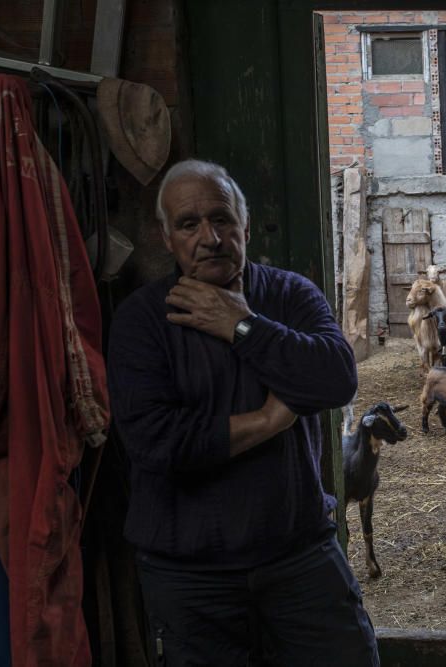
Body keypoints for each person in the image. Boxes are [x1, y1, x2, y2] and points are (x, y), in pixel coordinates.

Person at [107, 159, 378, 666]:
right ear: (168, 239)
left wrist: (243, 325)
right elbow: (157, 442)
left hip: (298, 558)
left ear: (245, 227)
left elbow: (336, 379)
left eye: (222, 219)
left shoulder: (289, 295)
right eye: (189, 225)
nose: (210, 237)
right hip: (190, 576)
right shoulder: (142, 320)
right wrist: (270, 420)